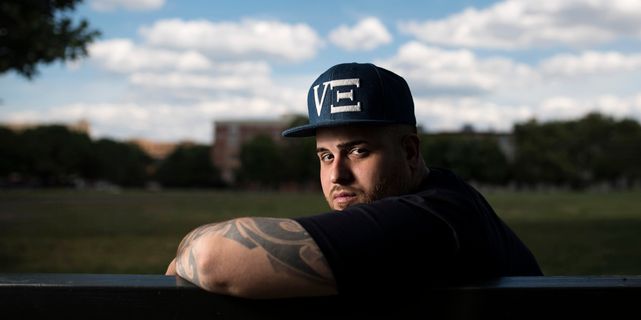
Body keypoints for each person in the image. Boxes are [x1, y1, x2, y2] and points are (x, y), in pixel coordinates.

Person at [165, 62, 542, 298]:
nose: (336, 174)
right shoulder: (445, 200)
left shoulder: (435, 217)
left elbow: (215, 258)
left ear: (410, 152)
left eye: (359, 151)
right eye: (325, 156)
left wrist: (188, 245)